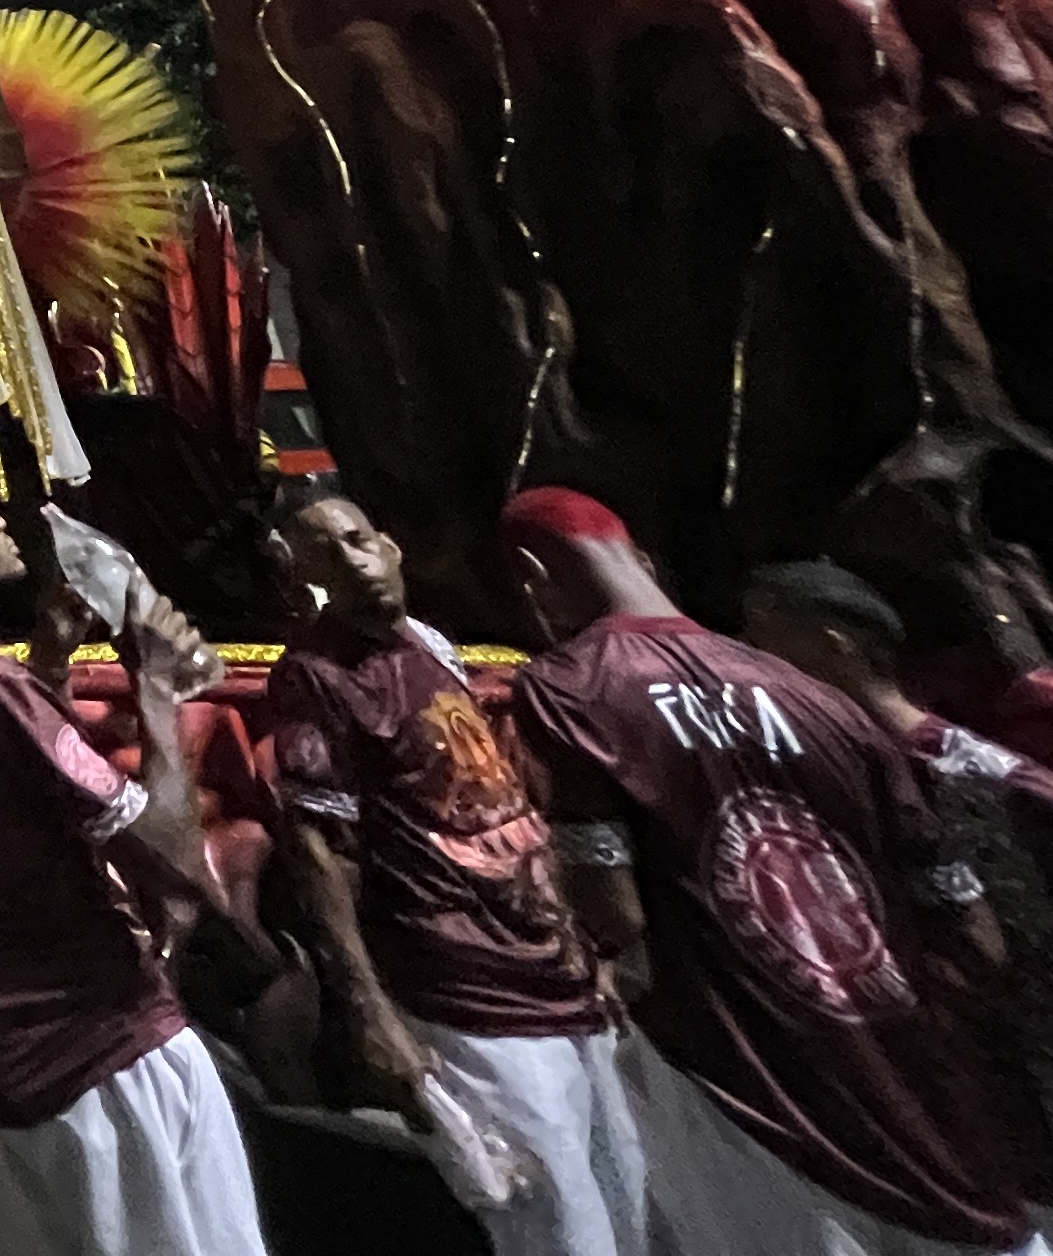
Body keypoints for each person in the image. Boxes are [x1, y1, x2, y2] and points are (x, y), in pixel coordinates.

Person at [501, 486, 1042, 1256]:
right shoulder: (823, 699)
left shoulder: (571, 691)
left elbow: (615, 913)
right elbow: (967, 921)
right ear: (645, 561)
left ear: (531, 576)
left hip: (747, 1086)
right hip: (913, 1090)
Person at [0, 458, 279, 1256]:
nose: (2, 523)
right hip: (93, 1045)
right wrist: (154, 687)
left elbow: (2, 769)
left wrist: (48, 663)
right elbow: (175, 860)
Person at [265, 489, 640, 1255]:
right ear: (302, 577)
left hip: (552, 963)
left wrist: (586, 943)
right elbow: (318, 852)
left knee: (632, 1199)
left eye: (359, 540)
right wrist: (369, 1012)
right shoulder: (314, 678)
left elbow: (507, 802)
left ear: (392, 545)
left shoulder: (431, 646)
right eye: (324, 556)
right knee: (559, 1228)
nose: (353, 565)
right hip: (464, 985)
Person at [746, 557, 1053, 1164]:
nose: (747, 656)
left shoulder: (958, 772)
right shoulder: (852, 770)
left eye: (763, 632)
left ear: (834, 645)